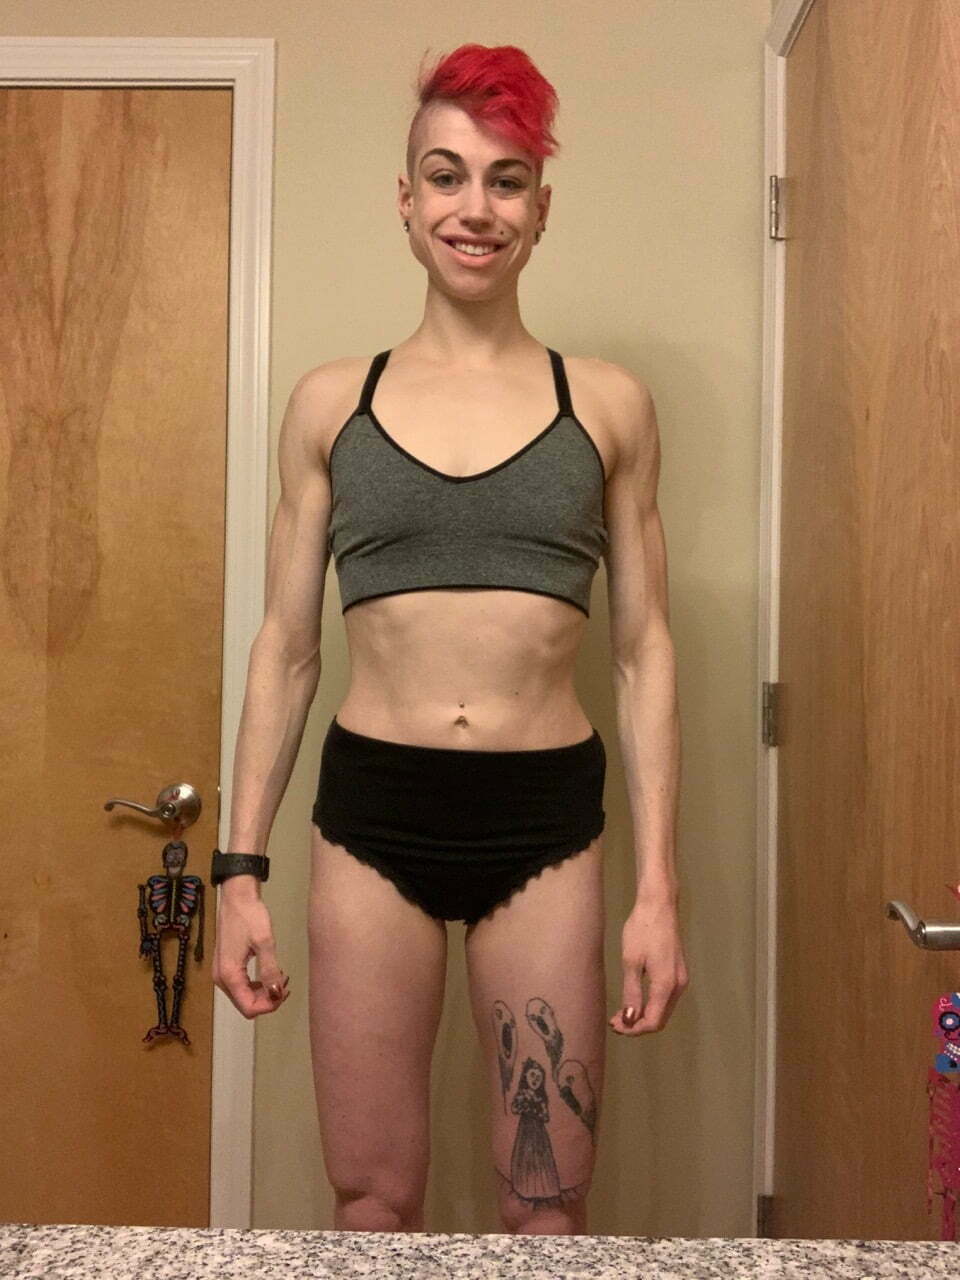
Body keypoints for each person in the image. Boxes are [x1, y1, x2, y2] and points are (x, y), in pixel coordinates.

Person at [211, 42, 688, 1237]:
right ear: (407, 199)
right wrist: (237, 868)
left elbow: (643, 653)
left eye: (506, 179)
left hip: (545, 825)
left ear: (541, 207)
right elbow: (286, 647)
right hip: (373, 821)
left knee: (547, 1206)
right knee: (373, 1199)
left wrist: (659, 889)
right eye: (448, 175)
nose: (476, 207)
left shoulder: (607, 404)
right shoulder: (332, 404)